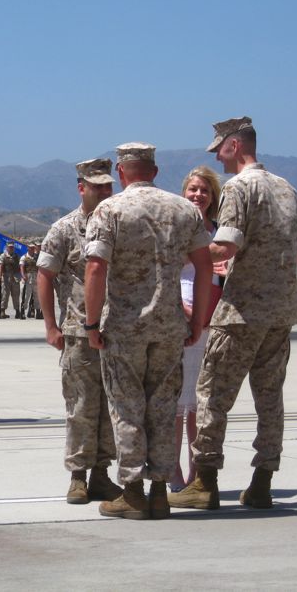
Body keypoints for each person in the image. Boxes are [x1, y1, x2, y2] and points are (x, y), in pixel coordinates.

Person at [169, 117, 297, 512]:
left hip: (242, 312)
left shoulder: (238, 187)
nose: (216, 155)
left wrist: (178, 259)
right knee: (270, 399)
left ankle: (206, 482)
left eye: (219, 147)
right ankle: (263, 481)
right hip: (281, 312)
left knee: (211, 395)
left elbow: (224, 246)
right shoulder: (288, 189)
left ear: (234, 145)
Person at [84, 143, 212, 520]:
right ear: (154, 171)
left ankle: (133, 492)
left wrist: (91, 324)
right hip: (170, 325)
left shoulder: (110, 209)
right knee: (162, 407)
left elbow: (95, 268)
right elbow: (205, 267)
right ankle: (159, 489)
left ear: (122, 174)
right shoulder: (184, 209)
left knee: (127, 407)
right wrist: (198, 321)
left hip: (125, 327)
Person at [37, 158, 123, 505]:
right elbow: (44, 275)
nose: (103, 192)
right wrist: (50, 326)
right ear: (81, 188)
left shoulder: (120, 224)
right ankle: (78, 476)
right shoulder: (64, 228)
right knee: (81, 406)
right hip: (77, 330)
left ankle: (102, 473)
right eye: (96, 186)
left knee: (111, 406)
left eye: (107, 186)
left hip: (116, 329)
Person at [170, 166, 225, 491]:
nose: (198, 195)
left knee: (199, 405)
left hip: (211, 322)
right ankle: (173, 470)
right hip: (183, 319)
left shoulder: (218, 232)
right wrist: (185, 310)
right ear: (183, 192)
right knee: (178, 403)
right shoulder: (177, 229)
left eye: (204, 190)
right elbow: (166, 272)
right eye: (192, 189)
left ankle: (195, 473)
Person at [0, 241, 21, 318]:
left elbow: (20, 266)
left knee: (16, 295)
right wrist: (0, 276)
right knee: (5, 295)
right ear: (7, 247)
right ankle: (2, 312)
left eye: (12, 247)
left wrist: (21, 276)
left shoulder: (17, 256)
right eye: (9, 247)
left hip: (15, 277)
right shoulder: (3, 256)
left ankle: (17, 311)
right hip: (6, 277)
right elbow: (0, 266)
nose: (11, 248)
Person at [20, 243, 41, 319]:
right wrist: (23, 275)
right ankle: (22, 311)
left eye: (33, 248)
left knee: (37, 296)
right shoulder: (24, 257)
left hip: (36, 277)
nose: (32, 249)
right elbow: (22, 267)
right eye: (30, 248)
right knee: (26, 296)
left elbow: (40, 267)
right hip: (28, 277)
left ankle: (38, 312)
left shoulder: (37, 257)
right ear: (28, 248)